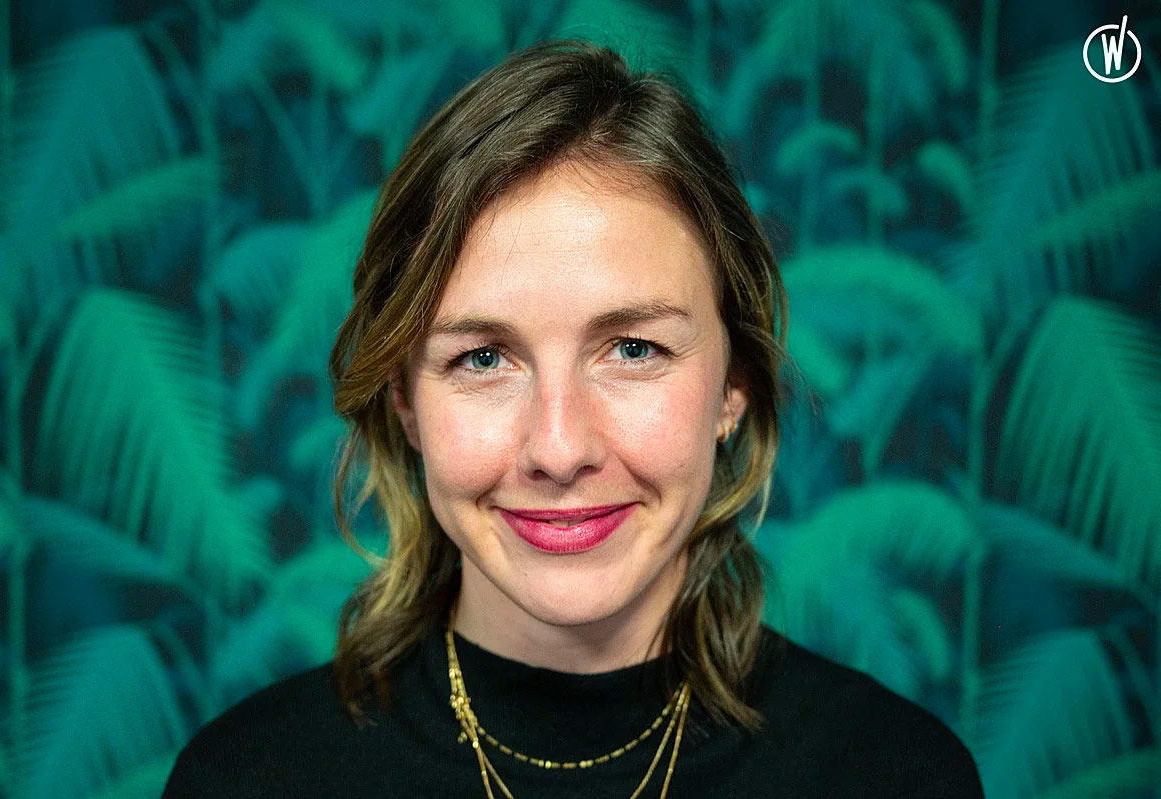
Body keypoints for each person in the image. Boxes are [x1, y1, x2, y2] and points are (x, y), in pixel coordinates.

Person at [162, 38, 984, 798]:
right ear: (406, 402)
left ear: (733, 387)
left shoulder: (895, 777)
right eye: (483, 358)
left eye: (632, 348)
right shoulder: (246, 781)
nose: (559, 449)